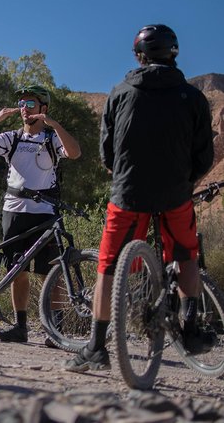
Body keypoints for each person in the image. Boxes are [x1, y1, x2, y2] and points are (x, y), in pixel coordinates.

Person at [64, 24, 214, 372]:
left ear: (138, 56)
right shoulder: (193, 98)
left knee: (109, 267)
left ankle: (96, 349)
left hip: (128, 194)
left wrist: (124, 176)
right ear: (173, 54)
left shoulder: (120, 93)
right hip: (176, 193)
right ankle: (190, 328)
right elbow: (204, 158)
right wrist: (184, 182)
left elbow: (106, 155)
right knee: (185, 255)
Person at [0, 85, 82, 345]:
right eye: (22, 104)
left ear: (43, 109)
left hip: (45, 213)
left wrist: (54, 125)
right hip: (14, 211)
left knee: (51, 274)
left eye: (30, 104)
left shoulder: (51, 139)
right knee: (17, 271)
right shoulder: (12, 138)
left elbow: (75, 152)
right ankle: (20, 328)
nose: (24, 109)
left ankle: (55, 332)